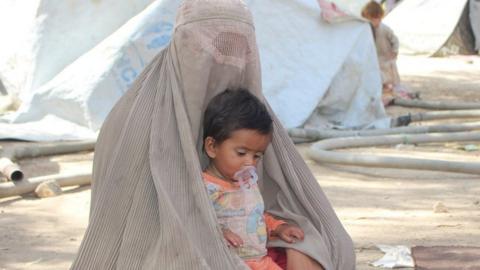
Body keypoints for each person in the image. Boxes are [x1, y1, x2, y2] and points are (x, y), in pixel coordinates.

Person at [71, 1, 355, 269]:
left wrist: (280, 228)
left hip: (252, 246)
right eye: (214, 47)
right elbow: (124, 224)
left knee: (320, 245)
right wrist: (206, 235)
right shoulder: (132, 117)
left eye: (238, 48)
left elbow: (277, 198)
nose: (225, 61)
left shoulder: (253, 115)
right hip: (160, 245)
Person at [203, 89, 323, 269]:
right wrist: (218, 232)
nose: (250, 162)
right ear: (212, 147)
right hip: (231, 262)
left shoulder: (247, 185)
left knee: (304, 254)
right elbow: (193, 220)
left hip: (260, 259)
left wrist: (278, 227)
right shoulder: (205, 186)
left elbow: (254, 215)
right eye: (241, 153)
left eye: (257, 156)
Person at [362, 1, 414, 105]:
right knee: (378, 75)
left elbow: (395, 40)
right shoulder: (366, 29)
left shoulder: (384, 29)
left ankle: (388, 89)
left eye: (376, 19)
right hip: (376, 58)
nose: (374, 22)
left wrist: (394, 51)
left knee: (388, 77)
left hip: (386, 57)